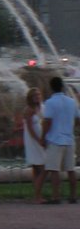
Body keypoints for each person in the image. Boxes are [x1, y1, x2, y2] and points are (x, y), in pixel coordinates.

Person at [40, 76, 80, 204]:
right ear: (63, 86)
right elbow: (78, 119)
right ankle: (73, 196)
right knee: (70, 170)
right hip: (69, 139)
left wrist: (42, 137)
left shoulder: (50, 103)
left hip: (55, 139)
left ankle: (56, 196)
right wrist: (71, 127)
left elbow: (47, 121)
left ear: (51, 87)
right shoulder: (71, 102)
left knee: (54, 169)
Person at [22, 88, 45, 203]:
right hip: (34, 141)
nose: (37, 97)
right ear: (30, 97)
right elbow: (30, 128)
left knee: (37, 169)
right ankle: (37, 196)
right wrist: (38, 139)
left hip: (40, 140)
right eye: (34, 95)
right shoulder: (29, 110)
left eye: (39, 94)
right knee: (42, 168)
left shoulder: (40, 107)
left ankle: (37, 196)